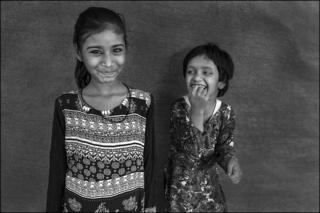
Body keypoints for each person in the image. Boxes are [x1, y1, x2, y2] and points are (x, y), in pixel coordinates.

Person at [46, 7, 157, 212]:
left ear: (125, 49)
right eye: (96, 52)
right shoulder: (65, 105)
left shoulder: (143, 104)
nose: (108, 62)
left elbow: (150, 166)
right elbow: (57, 172)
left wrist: (151, 207)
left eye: (116, 50)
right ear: (79, 52)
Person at [164, 43, 242, 212]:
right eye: (191, 72)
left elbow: (224, 146)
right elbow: (192, 153)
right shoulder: (179, 108)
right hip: (180, 191)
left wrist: (230, 160)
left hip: (208, 191)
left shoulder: (225, 112)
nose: (197, 78)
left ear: (221, 82)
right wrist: (197, 109)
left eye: (206, 73)